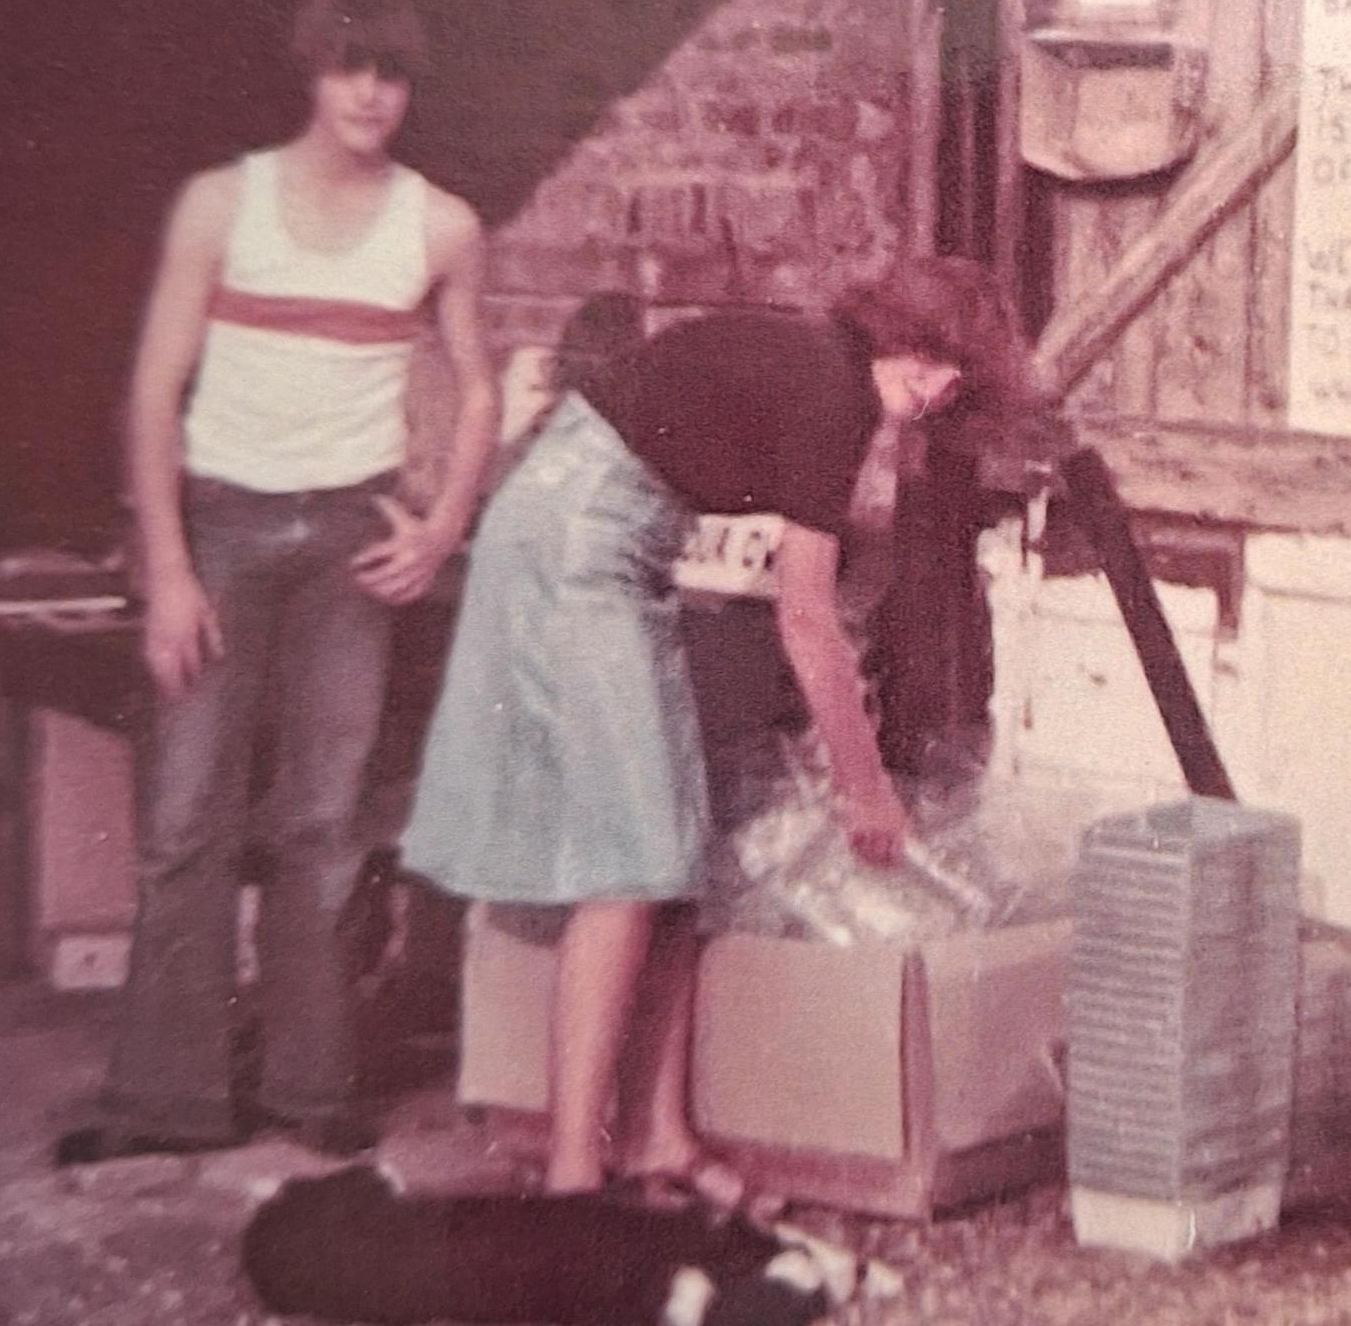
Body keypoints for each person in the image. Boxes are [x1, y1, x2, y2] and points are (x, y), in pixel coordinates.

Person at [399, 256, 1023, 1208]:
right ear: (897, 335)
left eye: (957, 379)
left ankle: (657, 1136)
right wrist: (866, 788)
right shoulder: (833, 395)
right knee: (632, 858)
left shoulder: (826, 376)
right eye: (937, 361)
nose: (940, 390)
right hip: (577, 536)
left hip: (617, 534)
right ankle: (576, 1175)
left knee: (676, 847)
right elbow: (807, 620)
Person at [56, 0, 499, 1165]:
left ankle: (310, 1094)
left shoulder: (440, 224)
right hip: (223, 529)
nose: (370, 92)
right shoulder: (222, 205)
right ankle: (166, 1100)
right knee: (186, 818)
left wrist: (443, 524)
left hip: (348, 545)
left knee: (324, 823)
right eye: (349, 65)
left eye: (392, 73)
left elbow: (480, 383)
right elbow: (154, 388)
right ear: (310, 71)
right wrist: (168, 567)